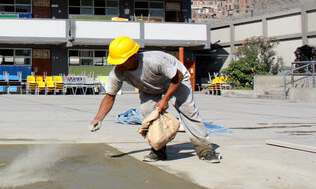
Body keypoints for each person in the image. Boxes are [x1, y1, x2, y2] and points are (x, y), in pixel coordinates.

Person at [89, 36, 220, 163]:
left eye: (121, 61)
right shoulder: (118, 72)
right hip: (149, 88)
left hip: (176, 80)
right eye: (116, 61)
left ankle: (205, 149)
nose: (118, 65)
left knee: (188, 111)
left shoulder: (154, 61)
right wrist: (98, 118)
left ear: (134, 57)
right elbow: (110, 96)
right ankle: (159, 151)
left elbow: (177, 77)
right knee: (149, 115)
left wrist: (166, 99)